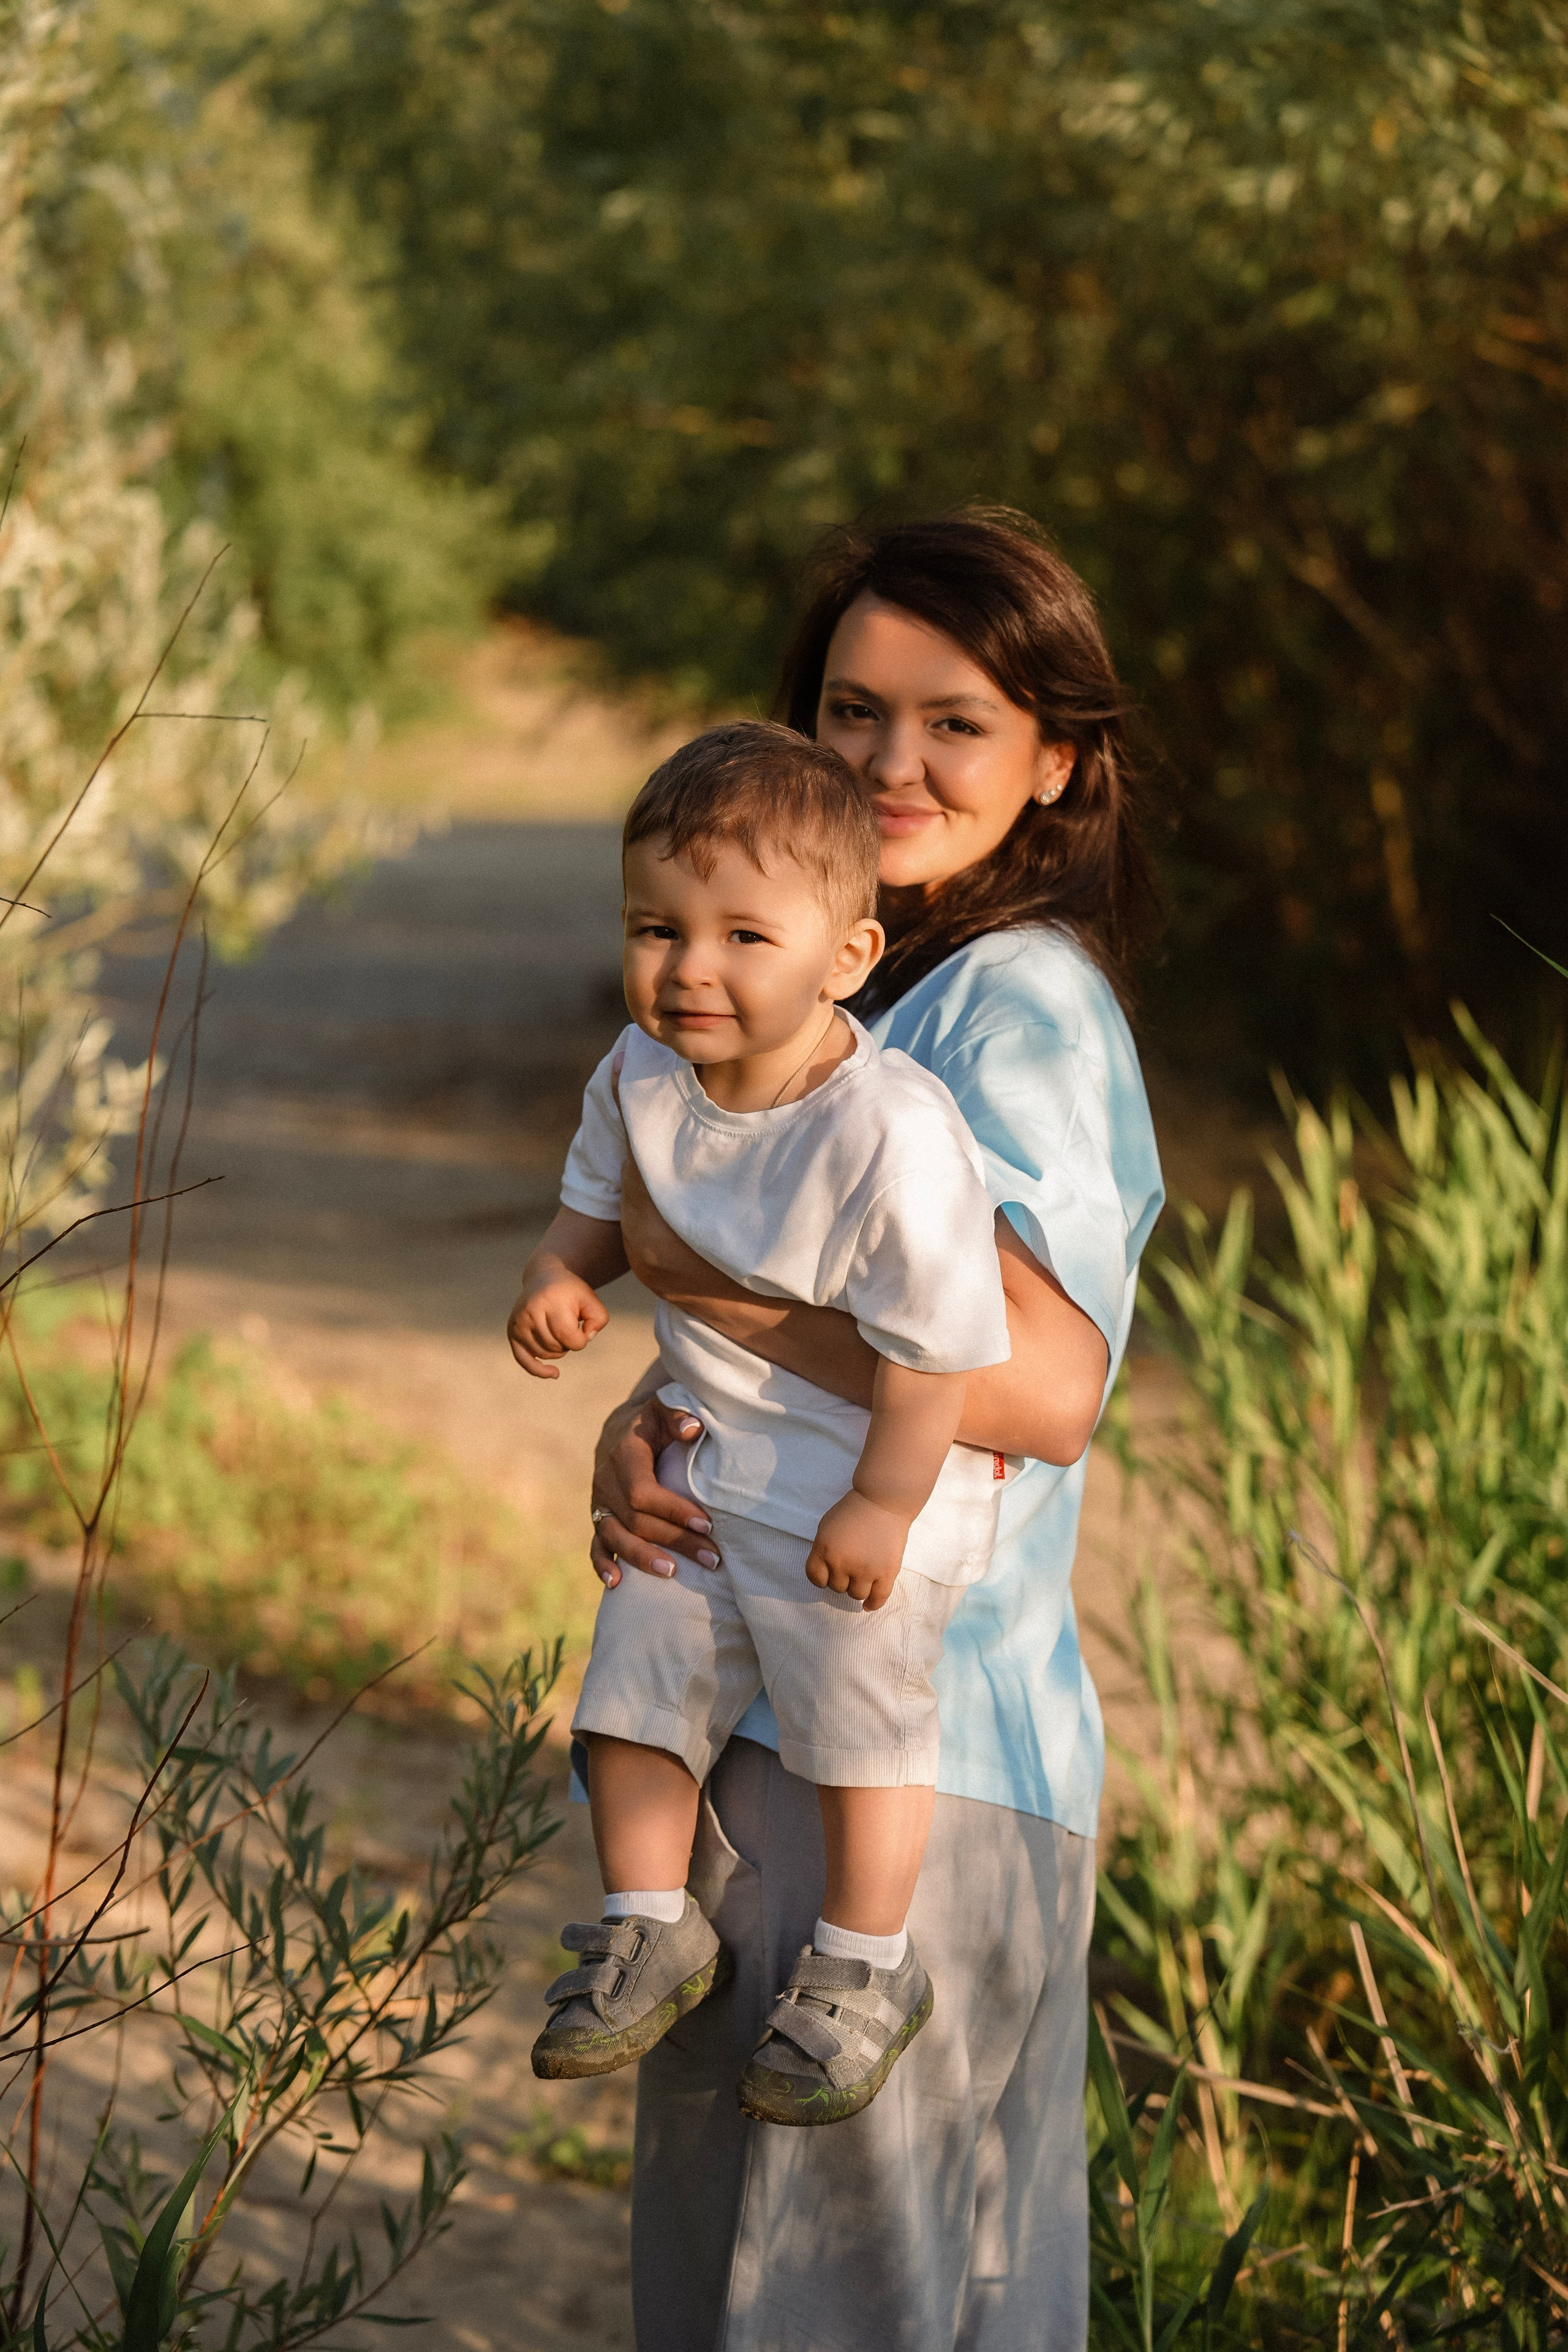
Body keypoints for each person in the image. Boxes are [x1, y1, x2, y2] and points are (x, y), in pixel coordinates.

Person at [581, 507, 1164, 2351]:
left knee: (841, 2307)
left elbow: (1044, 1387)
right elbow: (807, 1322)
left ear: (1055, 758)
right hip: (792, 1729)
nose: (890, 765)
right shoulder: (850, 992)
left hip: (918, 1753)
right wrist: (655, 1400)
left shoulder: (1024, 1004)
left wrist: (703, 1290)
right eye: (850, 713)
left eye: (956, 722)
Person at [510, 721, 1017, 2124]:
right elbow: (603, 1207)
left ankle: (864, 1964)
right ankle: (646, 1917)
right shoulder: (639, 1072)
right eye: (655, 928)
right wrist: (561, 1274)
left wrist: (882, 1504)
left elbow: (936, 1350)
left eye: (744, 936)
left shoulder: (889, 1132)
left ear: (845, 957)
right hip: (707, 1462)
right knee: (632, 1672)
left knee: (861, 1712)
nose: (691, 970)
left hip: (863, 1487)